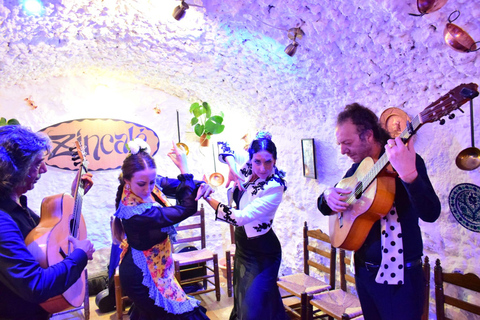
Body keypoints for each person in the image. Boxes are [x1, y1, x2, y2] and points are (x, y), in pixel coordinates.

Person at [317, 103, 441, 320]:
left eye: (347, 143)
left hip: (400, 277)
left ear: (368, 136)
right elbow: (325, 205)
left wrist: (409, 174)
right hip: (364, 272)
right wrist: (327, 195)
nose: (343, 151)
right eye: (340, 144)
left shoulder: (404, 160)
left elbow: (430, 212)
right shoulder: (358, 168)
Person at [0, 125, 95, 320]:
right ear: (13, 171)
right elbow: (35, 285)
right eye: (36, 164)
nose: (43, 169)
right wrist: (79, 255)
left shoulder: (17, 205)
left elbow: (49, 236)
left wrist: (75, 195)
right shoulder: (2, 220)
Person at [112, 139, 214, 320]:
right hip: (141, 275)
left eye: (152, 182)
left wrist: (201, 185)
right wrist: (185, 169)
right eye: (142, 184)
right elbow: (187, 208)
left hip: (158, 268)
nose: (148, 188)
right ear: (127, 180)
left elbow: (179, 187)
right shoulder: (135, 212)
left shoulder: (149, 183)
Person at [203, 132, 288, 320]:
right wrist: (232, 167)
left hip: (264, 252)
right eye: (257, 161)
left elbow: (241, 217)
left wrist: (208, 198)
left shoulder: (275, 186)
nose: (262, 167)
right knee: (245, 300)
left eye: (268, 162)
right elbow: (223, 145)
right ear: (251, 158)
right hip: (244, 247)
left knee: (253, 308)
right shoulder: (248, 166)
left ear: (275, 160)